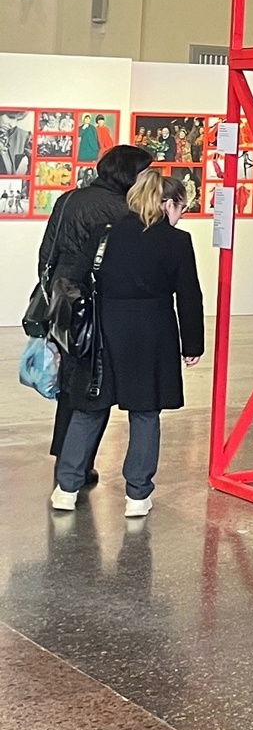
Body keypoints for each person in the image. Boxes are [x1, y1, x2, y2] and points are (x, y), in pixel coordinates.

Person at [50, 170, 203, 519]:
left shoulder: (105, 234)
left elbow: (77, 281)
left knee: (90, 408)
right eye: (182, 207)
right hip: (153, 332)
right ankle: (137, 494)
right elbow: (189, 295)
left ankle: (66, 488)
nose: (181, 215)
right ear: (167, 204)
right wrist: (192, 344)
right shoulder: (177, 241)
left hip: (104, 330)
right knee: (145, 413)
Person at [35, 141, 153, 481]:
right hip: (95, 300)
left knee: (71, 381)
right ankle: (78, 464)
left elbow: (47, 253)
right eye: (144, 172)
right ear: (129, 174)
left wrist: (52, 292)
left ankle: (66, 459)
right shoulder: (121, 209)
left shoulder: (69, 198)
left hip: (64, 296)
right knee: (94, 386)